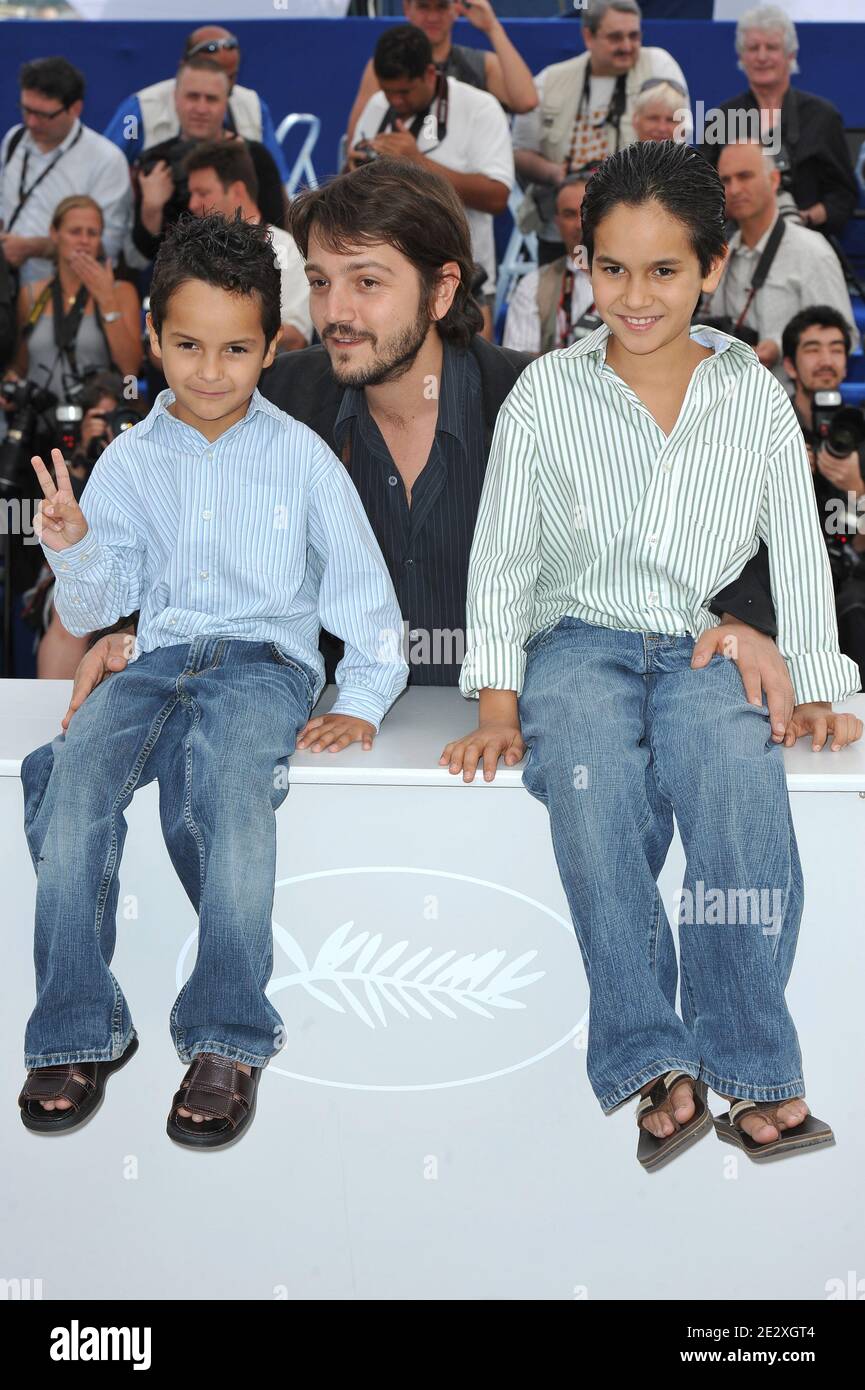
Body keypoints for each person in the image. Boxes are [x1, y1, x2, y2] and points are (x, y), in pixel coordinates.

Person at [444, 140, 862, 1169]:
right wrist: (498, 704)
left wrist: (818, 682)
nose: (635, 296)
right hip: (575, 642)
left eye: (664, 270)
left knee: (735, 790)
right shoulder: (545, 394)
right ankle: (647, 1054)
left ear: (711, 268)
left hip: (705, 646)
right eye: (612, 267)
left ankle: (753, 1063)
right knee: (591, 794)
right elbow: (500, 556)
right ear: (583, 264)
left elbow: (797, 551)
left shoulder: (754, 400)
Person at [60, 161, 801, 740]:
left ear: (442, 290)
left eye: (368, 283)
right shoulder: (274, 399)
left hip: (517, 743)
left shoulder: (537, 397)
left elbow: (688, 515)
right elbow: (185, 526)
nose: (336, 313)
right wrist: (131, 636)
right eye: (320, 283)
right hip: (325, 740)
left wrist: (740, 620)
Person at [16, 211, 408, 1149]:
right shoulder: (131, 459)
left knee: (232, 797)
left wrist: (357, 699)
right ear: (153, 337)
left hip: (264, 667)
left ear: (270, 348)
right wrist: (71, 547)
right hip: (152, 662)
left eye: (235, 348)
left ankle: (227, 1036)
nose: (209, 369)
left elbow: (364, 594)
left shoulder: (303, 457)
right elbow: (105, 598)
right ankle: (78, 1029)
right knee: (69, 790)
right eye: (187, 344)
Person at [349, 24, 513, 338]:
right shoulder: (377, 106)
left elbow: (497, 197)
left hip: (462, 283)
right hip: (386, 279)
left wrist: (418, 163)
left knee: (467, 384)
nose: (395, 100)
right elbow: (351, 186)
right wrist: (356, 169)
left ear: (428, 73)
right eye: (388, 91)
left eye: (404, 92)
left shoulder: (479, 107)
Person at [512, 0, 687, 265]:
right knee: (558, 303)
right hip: (563, 231)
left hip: (634, 229)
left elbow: (679, 140)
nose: (627, 46)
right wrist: (555, 174)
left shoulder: (658, 66)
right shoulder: (550, 80)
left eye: (634, 36)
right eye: (616, 37)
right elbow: (519, 152)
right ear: (588, 36)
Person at [697, 4, 857, 239]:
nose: (762, 56)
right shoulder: (721, 118)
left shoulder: (822, 116)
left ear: (790, 55)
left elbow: (843, 196)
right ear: (741, 57)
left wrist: (804, 218)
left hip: (807, 241)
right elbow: (703, 194)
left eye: (771, 47)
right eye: (753, 48)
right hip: (737, 243)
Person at [701, 142, 858, 382]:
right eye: (726, 180)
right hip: (729, 404)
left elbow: (844, 337)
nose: (733, 189)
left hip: (793, 405)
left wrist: (780, 347)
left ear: (774, 180)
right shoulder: (722, 255)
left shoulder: (812, 252)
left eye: (744, 176)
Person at [128, 56, 287, 269]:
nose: (201, 108)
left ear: (225, 103)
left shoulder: (255, 157)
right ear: (176, 98)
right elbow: (146, 253)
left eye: (211, 99)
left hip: (247, 276)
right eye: (193, 97)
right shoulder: (155, 161)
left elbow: (276, 232)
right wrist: (151, 208)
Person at [781, 305, 865, 686]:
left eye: (836, 349)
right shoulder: (767, 427)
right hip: (783, 577)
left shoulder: (857, 431)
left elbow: (858, 544)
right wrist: (783, 473)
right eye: (813, 349)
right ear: (791, 366)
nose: (826, 360)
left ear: (847, 364)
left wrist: (855, 491)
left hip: (847, 577)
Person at [0, 58, 132, 288]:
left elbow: (106, 246)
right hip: (8, 288)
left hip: (64, 296)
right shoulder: (15, 139)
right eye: (26, 110)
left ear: (75, 109)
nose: (31, 122)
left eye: (44, 115)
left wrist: (36, 248)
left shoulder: (106, 160)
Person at [102, 25, 290, 187]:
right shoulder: (138, 111)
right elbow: (108, 167)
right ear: (183, 67)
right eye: (210, 71)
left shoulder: (254, 107)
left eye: (231, 76)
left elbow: (276, 180)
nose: (224, 83)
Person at [346, 0, 538, 147]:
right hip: (400, 183)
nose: (432, 17)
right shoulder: (381, 67)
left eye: (441, 7)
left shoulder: (480, 63)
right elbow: (357, 140)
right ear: (407, 7)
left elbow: (526, 101)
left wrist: (492, 27)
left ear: (456, 8)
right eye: (423, 7)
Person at [5, 195, 141, 401]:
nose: (84, 241)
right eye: (75, 232)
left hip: (96, 422)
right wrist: (9, 385)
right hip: (42, 422)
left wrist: (107, 301)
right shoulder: (32, 294)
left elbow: (131, 369)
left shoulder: (121, 292)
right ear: (54, 233)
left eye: (93, 233)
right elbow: (21, 366)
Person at [185, 140, 312, 351]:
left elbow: (295, 339)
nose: (192, 204)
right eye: (191, 193)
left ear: (237, 191)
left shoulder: (285, 249)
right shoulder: (188, 251)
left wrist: (221, 330)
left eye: (203, 193)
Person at [503, 171, 599, 355]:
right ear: (557, 222)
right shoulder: (533, 285)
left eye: (586, 212)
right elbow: (518, 363)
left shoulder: (636, 277)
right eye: (569, 214)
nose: (579, 224)